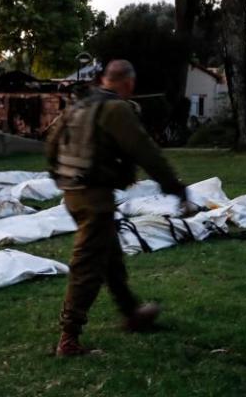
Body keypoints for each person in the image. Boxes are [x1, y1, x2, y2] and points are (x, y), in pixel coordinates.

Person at [47, 59, 188, 357]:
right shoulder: (116, 109)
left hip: (73, 192)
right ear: (129, 83)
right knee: (88, 264)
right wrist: (174, 187)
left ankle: (131, 313)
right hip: (93, 195)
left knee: (109, 255)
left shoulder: (80, 105)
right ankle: (68, 339)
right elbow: (146, 151)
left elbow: (52, 143)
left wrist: (61, 178)